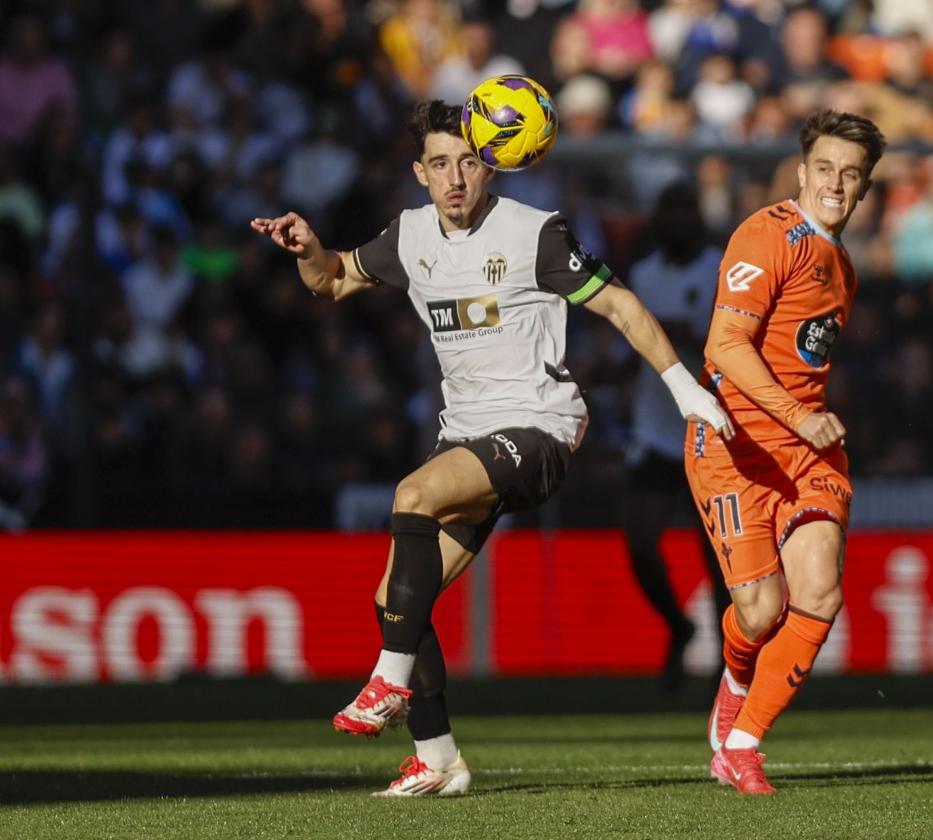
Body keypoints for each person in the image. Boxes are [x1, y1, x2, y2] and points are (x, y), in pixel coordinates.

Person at [250, 100, 731, 797]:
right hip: (469, 436)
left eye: (468, 162)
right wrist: (308, 251)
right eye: (440, 163)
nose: (455, 178)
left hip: (541, 429)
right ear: (419, 172)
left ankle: (387, 684)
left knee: (411, 496)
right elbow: (332, 281)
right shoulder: (409, 236)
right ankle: (438, 757)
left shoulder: (534, 234)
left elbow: (622, 306)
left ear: (492, 164)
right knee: (394, 600)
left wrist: (685, 390)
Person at [685, 108, 886, 794]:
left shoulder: (843, 268)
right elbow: (723, 347)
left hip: (804, 448)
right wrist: (799, 414)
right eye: (824, 168)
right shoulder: (767, 235)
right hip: (735, 445)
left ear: (863, 190)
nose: (835, 183)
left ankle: (742, 746)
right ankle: (737, 675)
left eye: (850, 175)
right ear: (802, 173)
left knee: (822, 590)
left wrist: (805, 422)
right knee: (762, 611)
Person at [621, 181, 730, 693]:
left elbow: (721, 341)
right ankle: (678, 625)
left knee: (716, 554)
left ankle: (728, 664)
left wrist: (667, 331)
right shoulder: (642, 275)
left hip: (709, 429)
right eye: (670, 211)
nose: (678, 222)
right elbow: (632, 346)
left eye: (686, 210)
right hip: (656, 433)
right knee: (639, 542)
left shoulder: (718, 270)